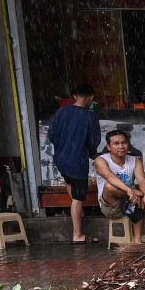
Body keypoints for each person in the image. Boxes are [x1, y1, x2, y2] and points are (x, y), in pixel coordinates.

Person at [46, 83, 101, 244]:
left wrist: (62, 146)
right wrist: (92, 154)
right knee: (78, 198)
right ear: (91, 98)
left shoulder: (62, 112)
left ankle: (77, 216)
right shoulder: (90, 117)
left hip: (61, 159)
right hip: (78, 161)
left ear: (75, 96)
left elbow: (52, 135)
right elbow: (93, 142)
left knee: (71, 187)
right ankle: (78, 235)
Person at [95, 129, 145, 245]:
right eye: (116, 143)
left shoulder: (135, 161)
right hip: (111, 206)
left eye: (124, 143)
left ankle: (137, 242)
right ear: (108, 146)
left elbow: (142, 180)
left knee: (134, 198)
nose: (121, 146)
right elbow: (110, 177)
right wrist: (129, 191)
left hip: (132, 201)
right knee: (109, 186)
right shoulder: (101, 160)